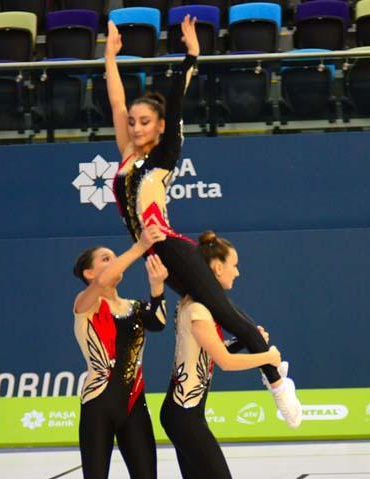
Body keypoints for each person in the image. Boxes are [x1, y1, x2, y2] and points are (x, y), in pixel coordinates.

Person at [104, 16, 303, 428]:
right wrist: (109, 57)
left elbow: (175, 101)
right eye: (133, 123)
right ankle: (267, 362)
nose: (136, 127)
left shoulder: (164, 154)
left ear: (159, 127)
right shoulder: (126, 153)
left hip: (172, 247)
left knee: (226, 313)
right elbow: (117, 102)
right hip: (156, 252)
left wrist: (190, 56)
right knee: (219, 312)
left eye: (145, 122)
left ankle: (277, 379)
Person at [161, 231, 282, 479]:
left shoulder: (194, 304)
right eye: (234, 266)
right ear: (215, 268)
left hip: (184, 410)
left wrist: (243, 340)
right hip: (183, 412)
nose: (238, 273)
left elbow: (209, 351)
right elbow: (224, 362)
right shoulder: (199, 307)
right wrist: (268, 357)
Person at [71, 226, 169, 479]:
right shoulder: (86, 302)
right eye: (105, 259)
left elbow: (158, 322)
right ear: (90, 274)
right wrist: (139, 246)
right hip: (99, 403)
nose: (113, 264)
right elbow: (101, 286)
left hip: (134, 403)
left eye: (115, 257)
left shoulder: (131, 307)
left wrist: (157, 287)